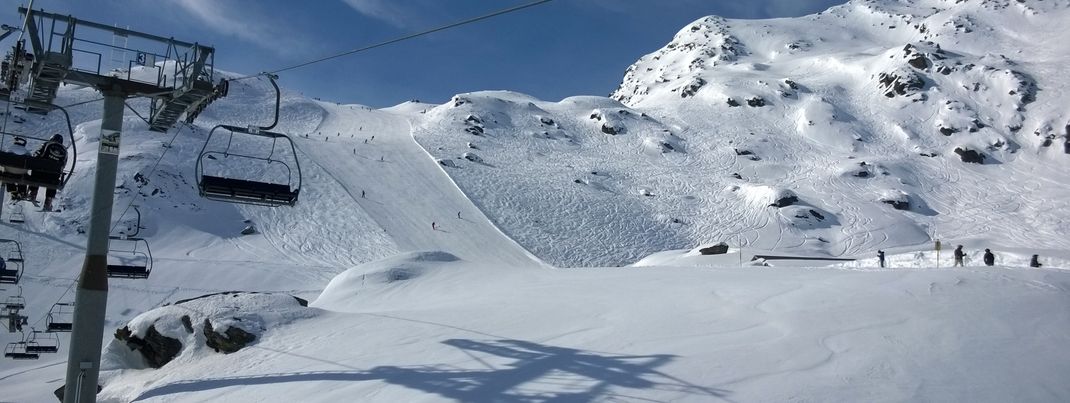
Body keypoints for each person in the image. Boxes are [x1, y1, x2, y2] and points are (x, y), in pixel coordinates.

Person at [27, 134, 67, 211]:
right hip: (53, 178)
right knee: (53, 181)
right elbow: (63, 164)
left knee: (36, 170)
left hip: (39, 174)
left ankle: (33, 193)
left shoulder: (46, 144)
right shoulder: (64, 150)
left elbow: (37, 155)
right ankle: (48, 202)